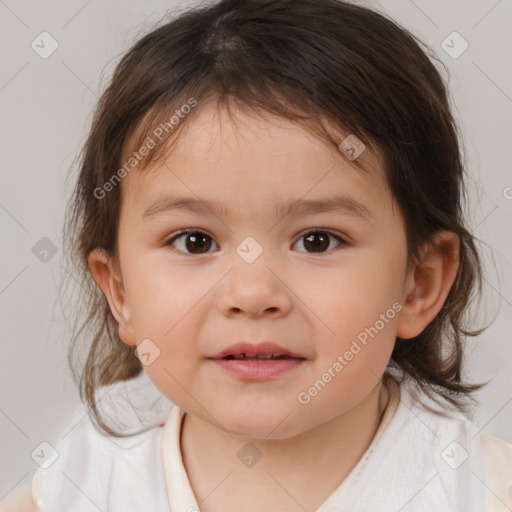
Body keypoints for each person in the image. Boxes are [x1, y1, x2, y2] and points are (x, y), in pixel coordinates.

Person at [10, 0, 512, 510]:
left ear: (418, 284)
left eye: (317, 240)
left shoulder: (479, 490)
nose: (252, 294)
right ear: (119, 291)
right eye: (195, 241)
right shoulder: (81, 481)